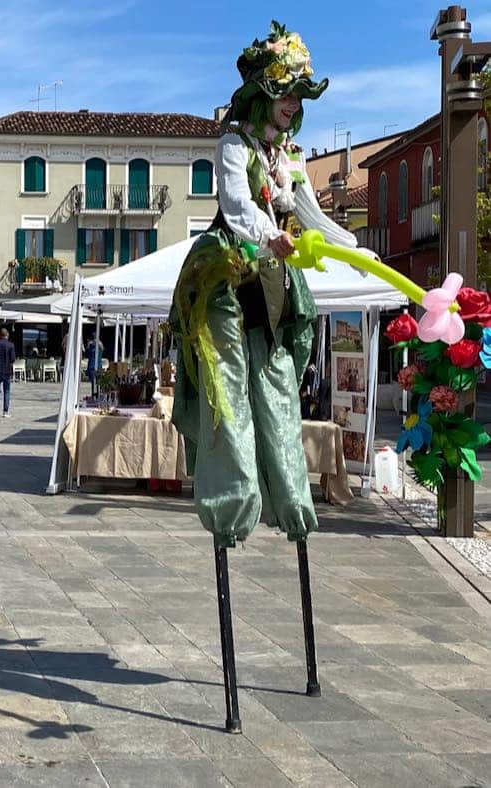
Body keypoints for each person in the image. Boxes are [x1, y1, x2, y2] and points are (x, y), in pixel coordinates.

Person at [169, 21, 377, 549]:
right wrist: (269, 235)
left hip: (270, 284)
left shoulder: (289, 157)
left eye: (299, 96)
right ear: (263, 94)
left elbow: (312, 215)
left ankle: (290, 500)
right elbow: (238, 205)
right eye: (286, 92)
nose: (293, 104)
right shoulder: (233, 145)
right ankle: (231, 506)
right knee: (228, 389)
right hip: (226, 276)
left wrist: (356, 252)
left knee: (279, 386)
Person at [85, 333, 104, 398]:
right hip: (94, 364)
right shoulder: (97, 344)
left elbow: (87, 353)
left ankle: (96, 394)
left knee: (96, 381)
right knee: (95, 381)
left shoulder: (94, 344)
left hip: (95, 364)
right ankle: (95, 394)